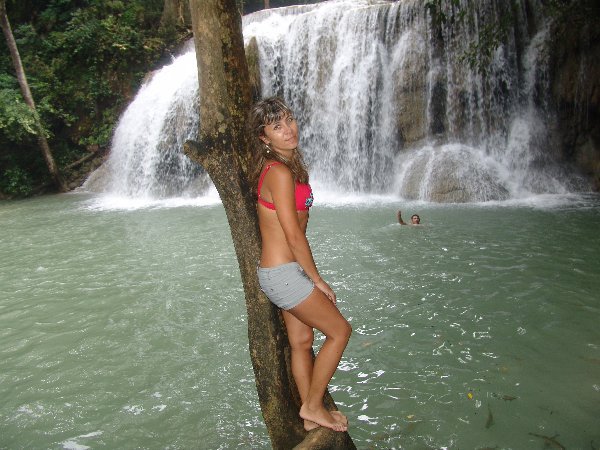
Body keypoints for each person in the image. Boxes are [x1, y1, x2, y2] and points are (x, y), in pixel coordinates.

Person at [249, 97, 352, 433]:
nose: (288, 130)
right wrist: (317, 280)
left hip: (281, 273)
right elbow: (293, 235)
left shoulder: (286, 167)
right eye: (276, 126)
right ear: (264, 137)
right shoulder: (278, 173)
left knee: (302, 342)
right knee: (340, 332)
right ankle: (312, 405)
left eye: (289, 120)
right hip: (284, 274)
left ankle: (310, 414)